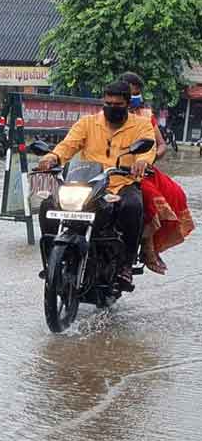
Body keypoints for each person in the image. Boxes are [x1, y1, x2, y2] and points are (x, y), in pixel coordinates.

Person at [37, 80, 157, 283]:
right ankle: (51, 260)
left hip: (121, 183)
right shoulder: (87, 123)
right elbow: (68, 145)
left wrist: (142, 162)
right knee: (48, 205)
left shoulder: (141, 125)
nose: (112, 108)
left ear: (128, 104)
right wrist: (52, 157)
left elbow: (148, 150)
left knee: (133, 206)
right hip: (87, 184)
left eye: (117, 105)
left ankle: (126, 265)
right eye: (108, 103)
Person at [119, 72, 195, 274]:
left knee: (173, 194)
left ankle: (147, 245)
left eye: (136, 94)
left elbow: (161, 145)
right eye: (130, 93)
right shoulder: (103, 116)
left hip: (140, 170)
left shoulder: (145, 118)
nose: (133, 98)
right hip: (110, 170)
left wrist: (149, 158)